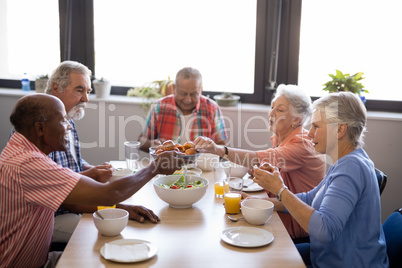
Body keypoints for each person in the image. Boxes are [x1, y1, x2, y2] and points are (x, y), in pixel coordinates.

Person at [0, 94, 183, 268]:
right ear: (40, 128)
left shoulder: (24, 152)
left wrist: (120, 208)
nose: (69, 126)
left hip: (43, 260)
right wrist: (155, 167)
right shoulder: (28, 164)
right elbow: (109, 194)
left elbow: (78, 198)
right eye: (63, 120)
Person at [252, 92, 388, 267]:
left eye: (316, 126)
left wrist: (280, 190)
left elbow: (324, 230)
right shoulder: (347, 161)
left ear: (339, 129)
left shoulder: (351, 168)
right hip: (324, 257)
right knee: (262, 255)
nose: (309, 134)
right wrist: (263, 202)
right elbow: (310, 199)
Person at [43, 61, 160, 245]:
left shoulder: (67, 119)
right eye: (79, 90)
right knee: (112, 229)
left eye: (88, 92)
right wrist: (120, 208)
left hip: (72, 205)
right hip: (53, 216)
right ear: (56, 88)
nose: (85, 100)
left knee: (120, 222)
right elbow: (65, 198)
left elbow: (73, 163)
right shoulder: (41, 129)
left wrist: (94, 169)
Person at [194, 84, 326, 241]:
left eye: (280, 110)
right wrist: (254, 201)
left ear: (296, 119)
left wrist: (220, 150)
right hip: (280, 214)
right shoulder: (283, 138)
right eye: (272, 107)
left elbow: (257, 158)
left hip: (295, 229)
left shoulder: (302, 143)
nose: (271, 113)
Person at [138, 67, 227, 152]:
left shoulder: (212, 108)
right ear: (174, 88)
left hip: (201, 166)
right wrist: (153, 144)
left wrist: (211, 148)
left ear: (201, 90)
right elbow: (141, 141)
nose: (188, 100)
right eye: (183, 93)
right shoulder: (158, 107)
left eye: (194, 94)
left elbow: (222, 146)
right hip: (165, 165)